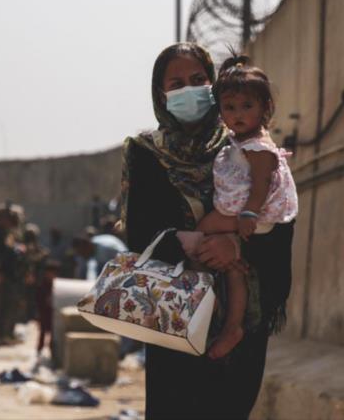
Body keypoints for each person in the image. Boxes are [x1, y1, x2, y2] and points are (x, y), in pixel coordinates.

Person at [119, 42, 294, 420]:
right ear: (160, 94)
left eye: (198, 80)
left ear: (214, 84)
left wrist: (236, 246)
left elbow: (279, 218)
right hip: (177, 317)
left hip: (240, 320)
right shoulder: (146, 153)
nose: (189, 90)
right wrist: (192, 242)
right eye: (177, 83)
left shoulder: (244, 145)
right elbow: (139, 235)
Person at [194, 56, 298, 359]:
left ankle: (202, 282)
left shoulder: (258, 147)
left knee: (200, 232)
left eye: (247, 106)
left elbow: (262, 183)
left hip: (249, 212)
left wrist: (249, 214)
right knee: (235, 271)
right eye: (230, 107)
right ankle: (232, 327)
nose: (238, 114)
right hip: (244, 211)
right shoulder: (241, 140)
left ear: (265, 108)